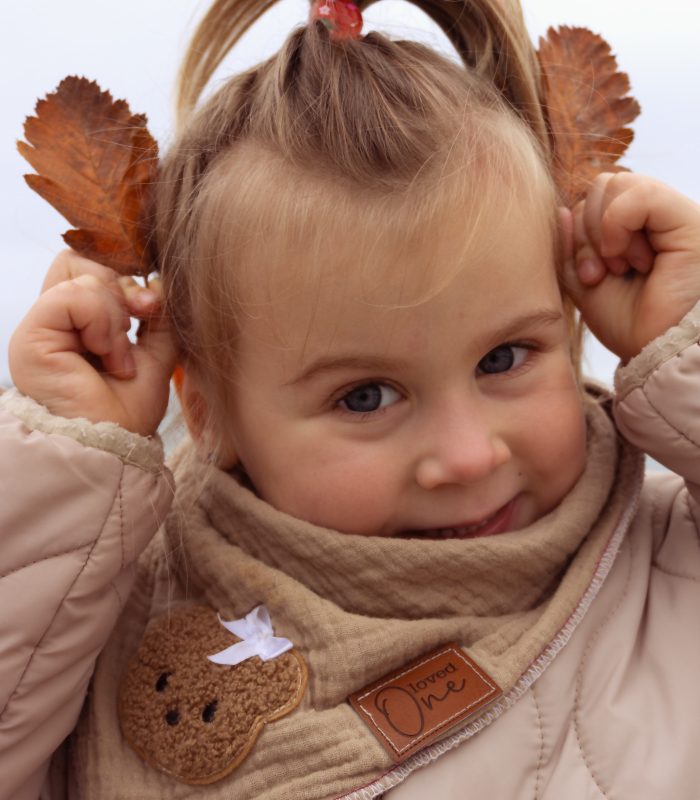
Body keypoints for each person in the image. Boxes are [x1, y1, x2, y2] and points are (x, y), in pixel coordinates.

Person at [2, 0, 700, 797]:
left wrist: (686, 350)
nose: (469, 456)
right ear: (206, 413)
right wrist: (66, 469)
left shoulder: (667, 564)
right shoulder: (97, 622)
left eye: (505, 357)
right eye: (366, 397)